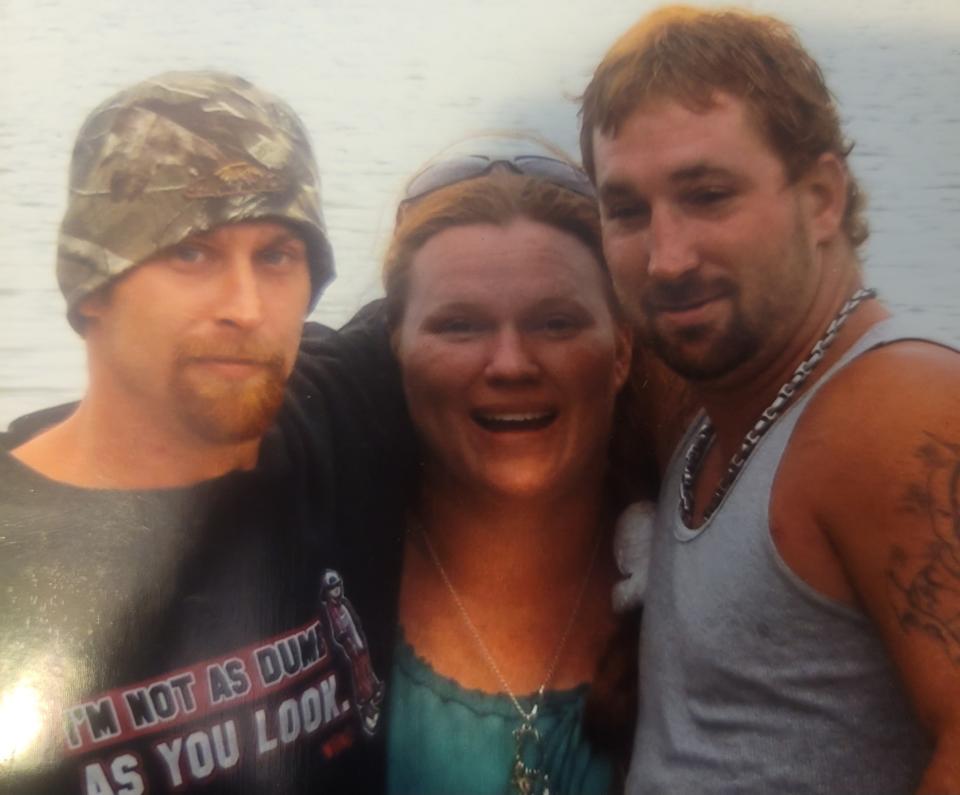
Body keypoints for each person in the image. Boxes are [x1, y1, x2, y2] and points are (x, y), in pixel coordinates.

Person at [578, 6, 960, 794]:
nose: (667, 258)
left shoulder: (893, 410)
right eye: (627, 211)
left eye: (709, 195)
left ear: (822, 197)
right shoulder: (727, 407)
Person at [0, 71, 412, 794]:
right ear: (92, 285)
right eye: (192, 252)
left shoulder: (337, 415)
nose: (246, 307)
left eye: (278, 255)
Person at [379, 146, 663, 795]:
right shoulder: (330, 589)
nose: (510, 363)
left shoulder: (692, 590)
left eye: (556, 322)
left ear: (621, 348)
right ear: (396, 345)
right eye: (459, 325)